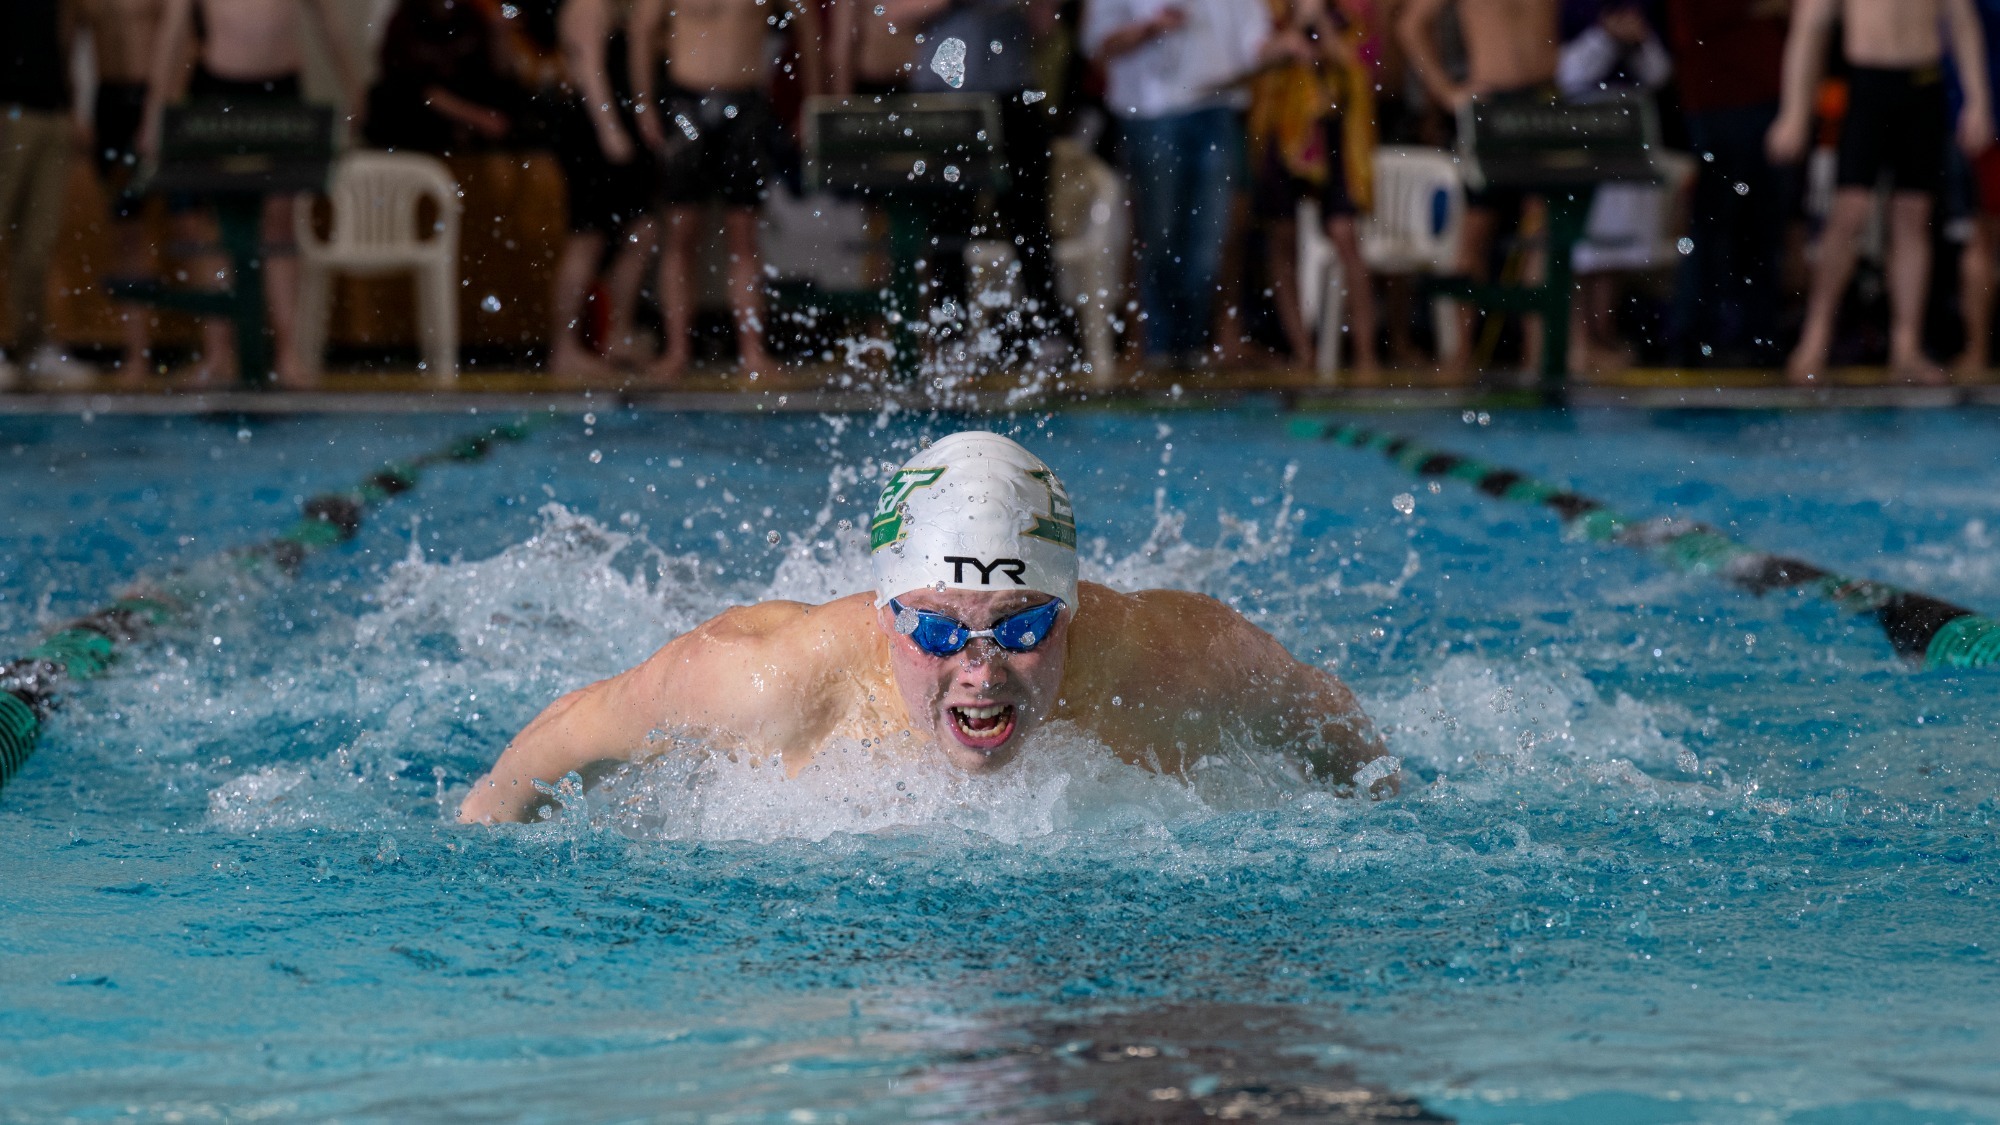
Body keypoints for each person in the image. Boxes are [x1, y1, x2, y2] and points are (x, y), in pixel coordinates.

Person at [459, 431, 1389, 824]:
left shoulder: (1176, 660)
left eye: (1021, 626)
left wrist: (1389, 810)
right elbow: (576, 729)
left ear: (1073, 608)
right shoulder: (775, 681)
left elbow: (1332, 723)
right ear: (884, 614)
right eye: (939, 633)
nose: (981, 672)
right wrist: (476, 845)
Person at [1766, 0, 1993, 385]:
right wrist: (1794, 111)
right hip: (1868, 83)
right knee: (1849, 211)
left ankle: (1906, 346)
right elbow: (1809, 26)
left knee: (1912, 216)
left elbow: (1962, 20)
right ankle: (1815, 338)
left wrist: (1978, 100)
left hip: (1923, 82)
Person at [139, 0, 363, 389]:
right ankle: (218, 354)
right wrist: (154, 113)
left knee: (279, 222)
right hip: (219, 88)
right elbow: (172, 34)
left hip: (281, 91)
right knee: (216, 227)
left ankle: (288, 353)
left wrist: (354, 92)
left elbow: (331, 28)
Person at [1083, 0, 1292, 371]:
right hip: (1152, 113)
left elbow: (1252, 44)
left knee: (1209, 244)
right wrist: (1149, 28)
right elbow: (1098, 44)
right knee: (1159, 239)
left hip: (1217, 108)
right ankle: (1155, 349)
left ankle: (1189, 350)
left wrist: (1288, 46)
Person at [629, 0, 823, 381]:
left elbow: (809, 26)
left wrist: (811, 99)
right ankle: (677, 351)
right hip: (685, 100)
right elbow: (641, 29)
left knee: (744, 235)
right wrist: (644, 104)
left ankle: (752, 353)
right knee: (681, 233)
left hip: (746, 102)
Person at [1395, 0, 1560, 383]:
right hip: (1492, 104)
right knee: (1474, 233)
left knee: (1543, 237)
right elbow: (1409, 26)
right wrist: (1444, 91)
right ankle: (1461, 355)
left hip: (1546, 102)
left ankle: (1540, 358)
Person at [1246, 0, 1381, 378]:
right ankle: (1303, 350)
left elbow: (1361, 64)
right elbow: (1248, 55)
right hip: (1281, 129)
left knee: (1345, 235)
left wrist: (1317, 19)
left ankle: (1365, 356)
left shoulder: (1348, 13)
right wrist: (1286, 41)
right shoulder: (1268, 11)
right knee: (1281, 237)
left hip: (1334, 129)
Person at [1663, 0, 1792, 369]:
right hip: (1715, 103)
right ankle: (1693, 337)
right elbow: (1689, 25)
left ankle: (1758, 336)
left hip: (1769, 99)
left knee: (1763, 228)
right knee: (1710, 224)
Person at [1556, 0, 1672, 377]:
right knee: (1581, 247)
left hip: (1631, 132)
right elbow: (1566, 73)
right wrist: (1605, 38)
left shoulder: (1642, 8)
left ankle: (1603, 335)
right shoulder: (1571, 9)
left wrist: (1638, 40)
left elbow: (1660, 74)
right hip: (1584, 127)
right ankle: (1578, 343)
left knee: (1616, 246)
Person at [546, 0, 659, 382]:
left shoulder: (616, 10)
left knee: (641, 232)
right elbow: (588, 69)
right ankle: (564, 349)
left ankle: (617, 335)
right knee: (587, 239)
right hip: (592, 131)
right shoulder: (587, 6)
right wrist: (609, 129)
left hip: (613, 128)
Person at [0, 0, 97, 391]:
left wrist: (73, 107)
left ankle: (32, 346)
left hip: (52, 114)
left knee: (38, 244)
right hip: (8, 112)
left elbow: (66, 38)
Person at [78, 0, 169, 386]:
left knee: (192, 228)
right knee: (126, 235)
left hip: (155, 97)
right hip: (110, 104)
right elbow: (70, 43)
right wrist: (76, 110)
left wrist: (164, 108)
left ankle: (220, 353)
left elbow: (181, 41)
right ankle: (137, 355)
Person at [1950, 0, 2000, 377]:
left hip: (1979, 111)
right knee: (1982, 235)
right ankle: (1977, 350)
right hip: (1985, 119)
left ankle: (1977, 351)